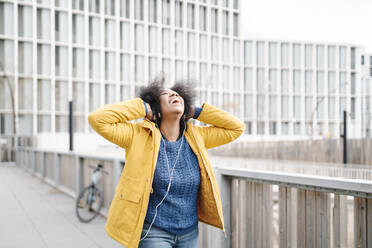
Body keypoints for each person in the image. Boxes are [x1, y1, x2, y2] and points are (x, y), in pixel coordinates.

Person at [88, 79, 245, 248]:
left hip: (189, 232)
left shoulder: (197, 136)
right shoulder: (137, 135)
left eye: (177, 94)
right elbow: (97, 119)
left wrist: (196, 111)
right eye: (165, 94)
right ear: (156, 106)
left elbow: (236, 128)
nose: (174, 94)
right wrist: (144, 108)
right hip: (154, 231)